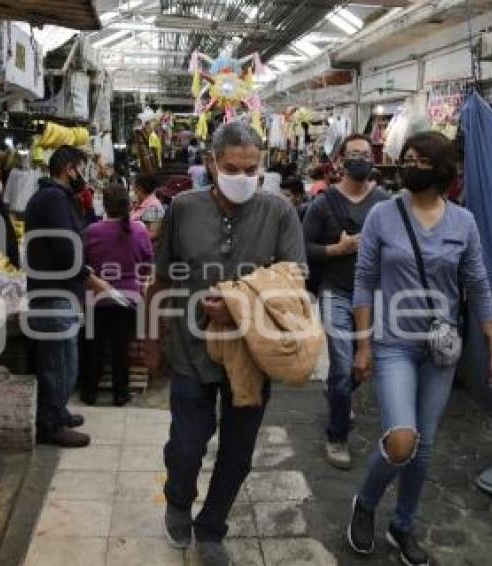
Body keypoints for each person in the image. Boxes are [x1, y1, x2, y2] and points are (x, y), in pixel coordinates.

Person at [144, 123, 305, 566]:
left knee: (238, 453)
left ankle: (212, 527)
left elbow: (294, 282)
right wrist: (150, 340)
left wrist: (238, 305)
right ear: (212, 164)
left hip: (252, 353)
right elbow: (160, 279)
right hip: (190, 349)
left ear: (262, 164)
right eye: (232, 168)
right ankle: (178, 498)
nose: (242, 176)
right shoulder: (183, 208)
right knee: (187, 446)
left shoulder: (279, 212)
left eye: (251, 168)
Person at [347, 132, 492, 566]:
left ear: (441, 170)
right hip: (393, 343)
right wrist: (362, 346)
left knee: (425, 444)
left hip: (441, 350)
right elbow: (363, 283)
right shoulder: (383, 215)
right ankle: (365, 502)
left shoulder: (464, 223)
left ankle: (403, 526)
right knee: (403, 439)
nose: (411, 165)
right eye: (407, 158)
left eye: (421, 160)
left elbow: (478, 286)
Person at [302, 134, 390, 471]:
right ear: (340, 161)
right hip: (336, 291)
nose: (360, 160)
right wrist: (334, 251)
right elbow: (302, 246)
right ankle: (336, 436)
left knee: (363, 365)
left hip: (376, 295)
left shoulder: (384, 202)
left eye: (365, 154)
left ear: (373, 159)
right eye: (353, 154)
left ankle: (337, 392)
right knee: (341, 366)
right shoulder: (323, 204)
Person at [24, 145, 113, 448]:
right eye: (82, 168)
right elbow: (64, 250)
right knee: (59, 363)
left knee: (62, 359)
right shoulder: (53, 199)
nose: (85, 175)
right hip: (54, 294)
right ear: (69, 168)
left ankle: (57, 411)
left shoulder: (56, 199)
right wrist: (90, 278)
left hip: (56, 292)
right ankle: (51, 424)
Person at [82, 184, 154, 406]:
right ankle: (120, 394)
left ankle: (89, 393)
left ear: (105, 205)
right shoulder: (140, 230)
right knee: (120, 347)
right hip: (128, 298)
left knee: (94, 345)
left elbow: (83, 264)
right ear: (128, 205)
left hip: (97, 296)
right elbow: (147, 263)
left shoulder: (92, 231)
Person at [130, 174, 165, 241]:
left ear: (140, 189)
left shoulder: (152, 206)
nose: (133, 190)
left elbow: (153, 233)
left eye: (134, 187)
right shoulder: (142, 204)